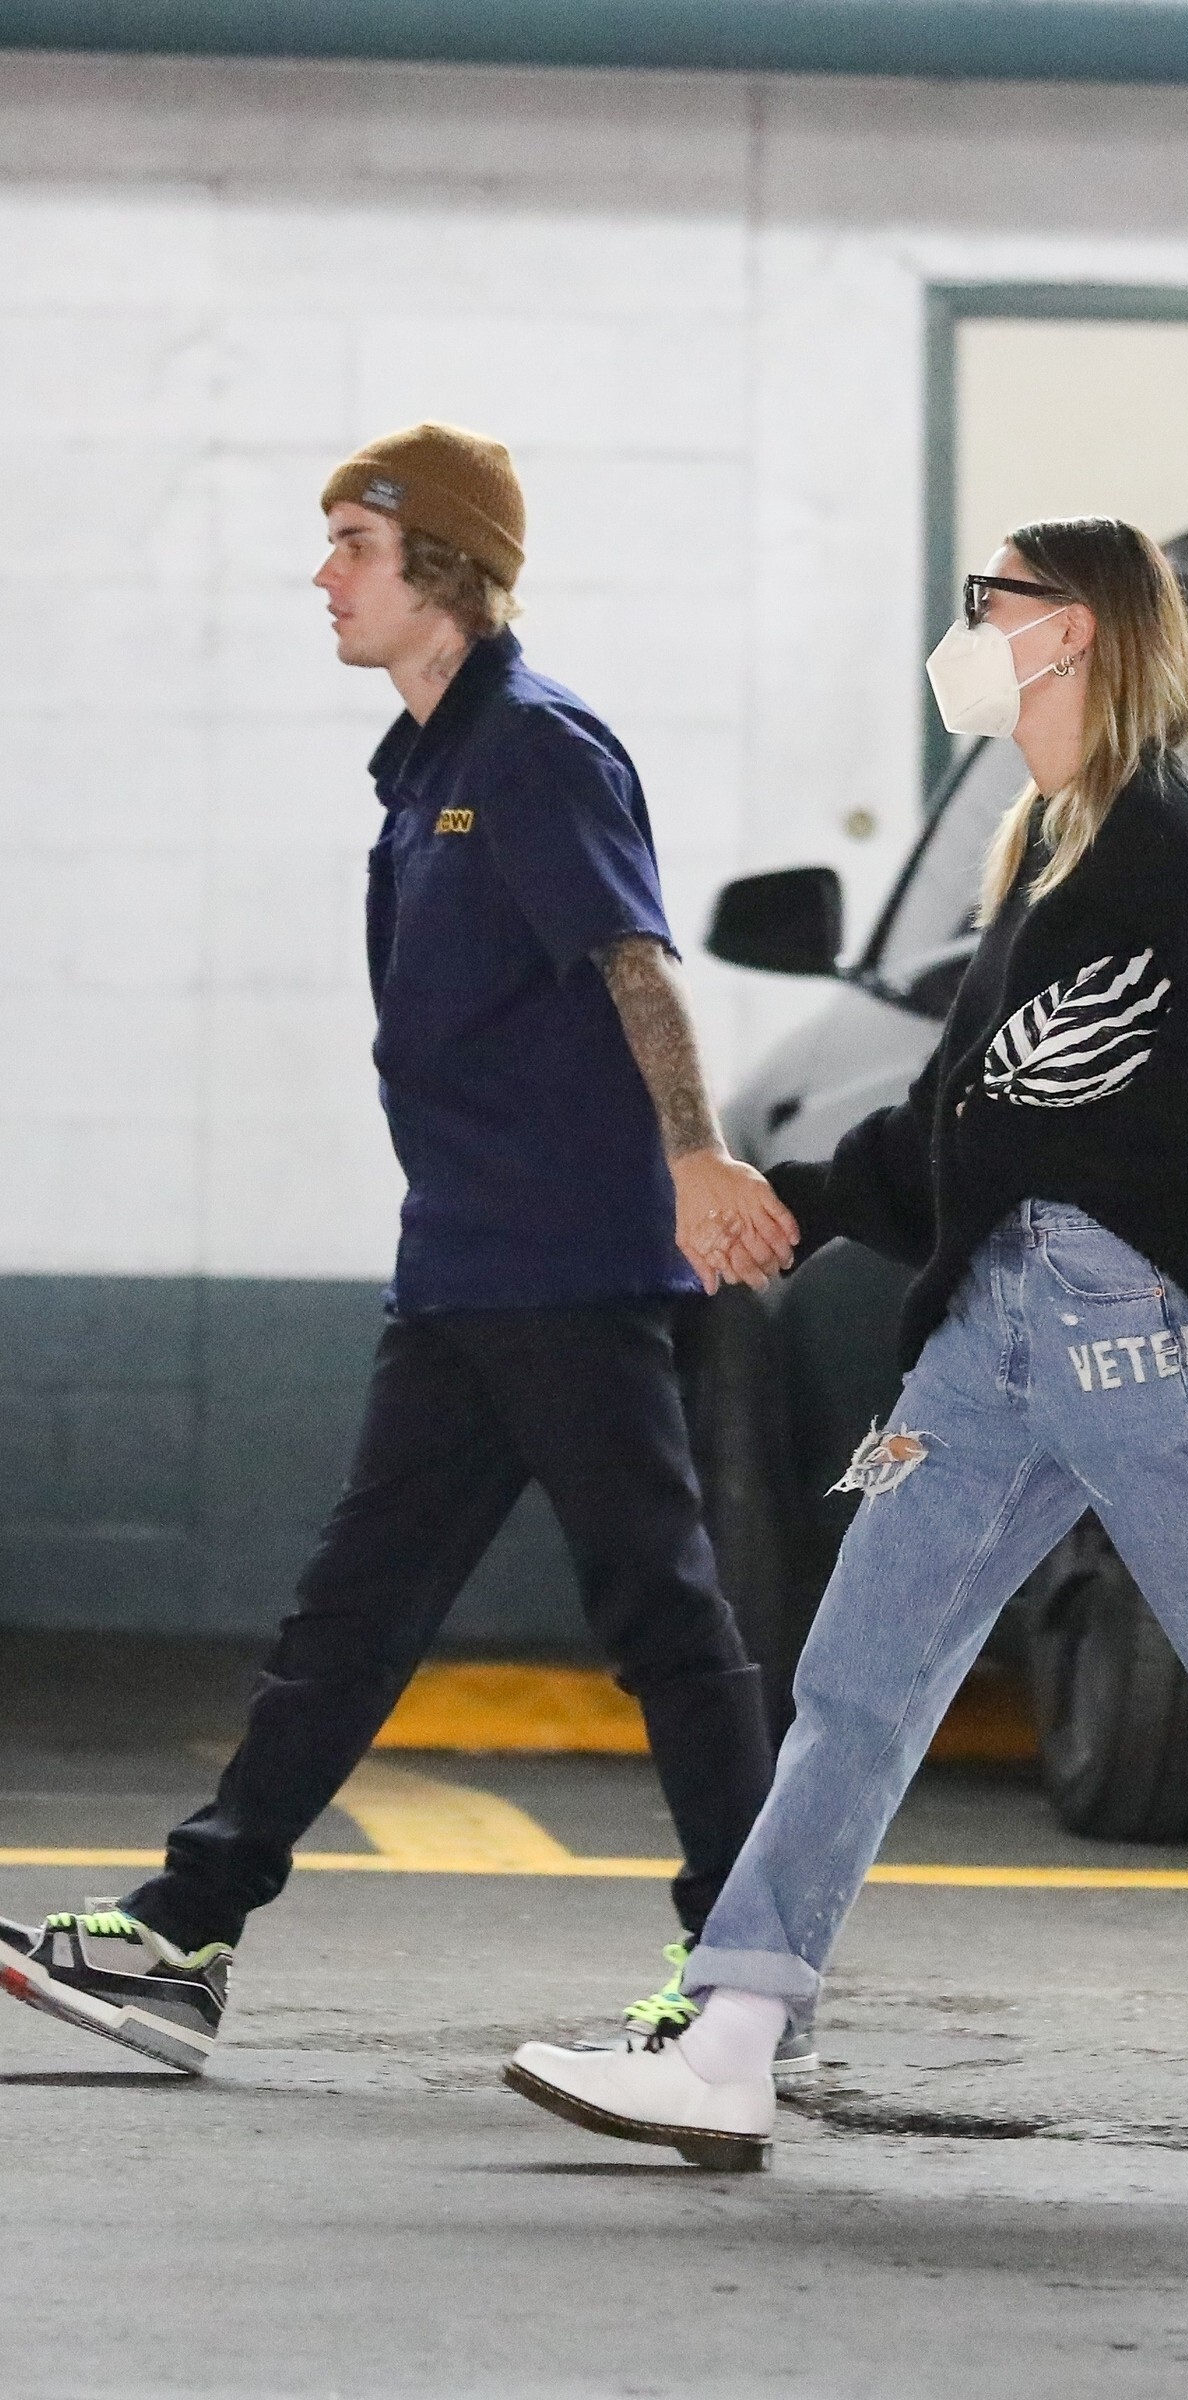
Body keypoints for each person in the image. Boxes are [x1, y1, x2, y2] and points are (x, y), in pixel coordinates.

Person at [505, 515, 1188, 2179]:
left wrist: (1122, 1180)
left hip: (1120, 1326)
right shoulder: (1054, 849)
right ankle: (728, 2043)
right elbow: (971, 1121)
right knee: (861, 1682)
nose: (966, 631)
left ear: (1069, 631)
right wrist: (797, 1202)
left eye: (989, 602)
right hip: (994, 1334)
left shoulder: (1162, 853)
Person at [0, 420, 807, 2077]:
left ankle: (753, 1978)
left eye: (352, 550)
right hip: (466, 1264)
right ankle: (187, 1932)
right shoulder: (425, 765)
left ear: (444, 567)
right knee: (354, 1613)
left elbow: (635, 962)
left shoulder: (534, 746)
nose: (323, 578)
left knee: (660, 1612)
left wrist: (693, 1157)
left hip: (567, 1264)